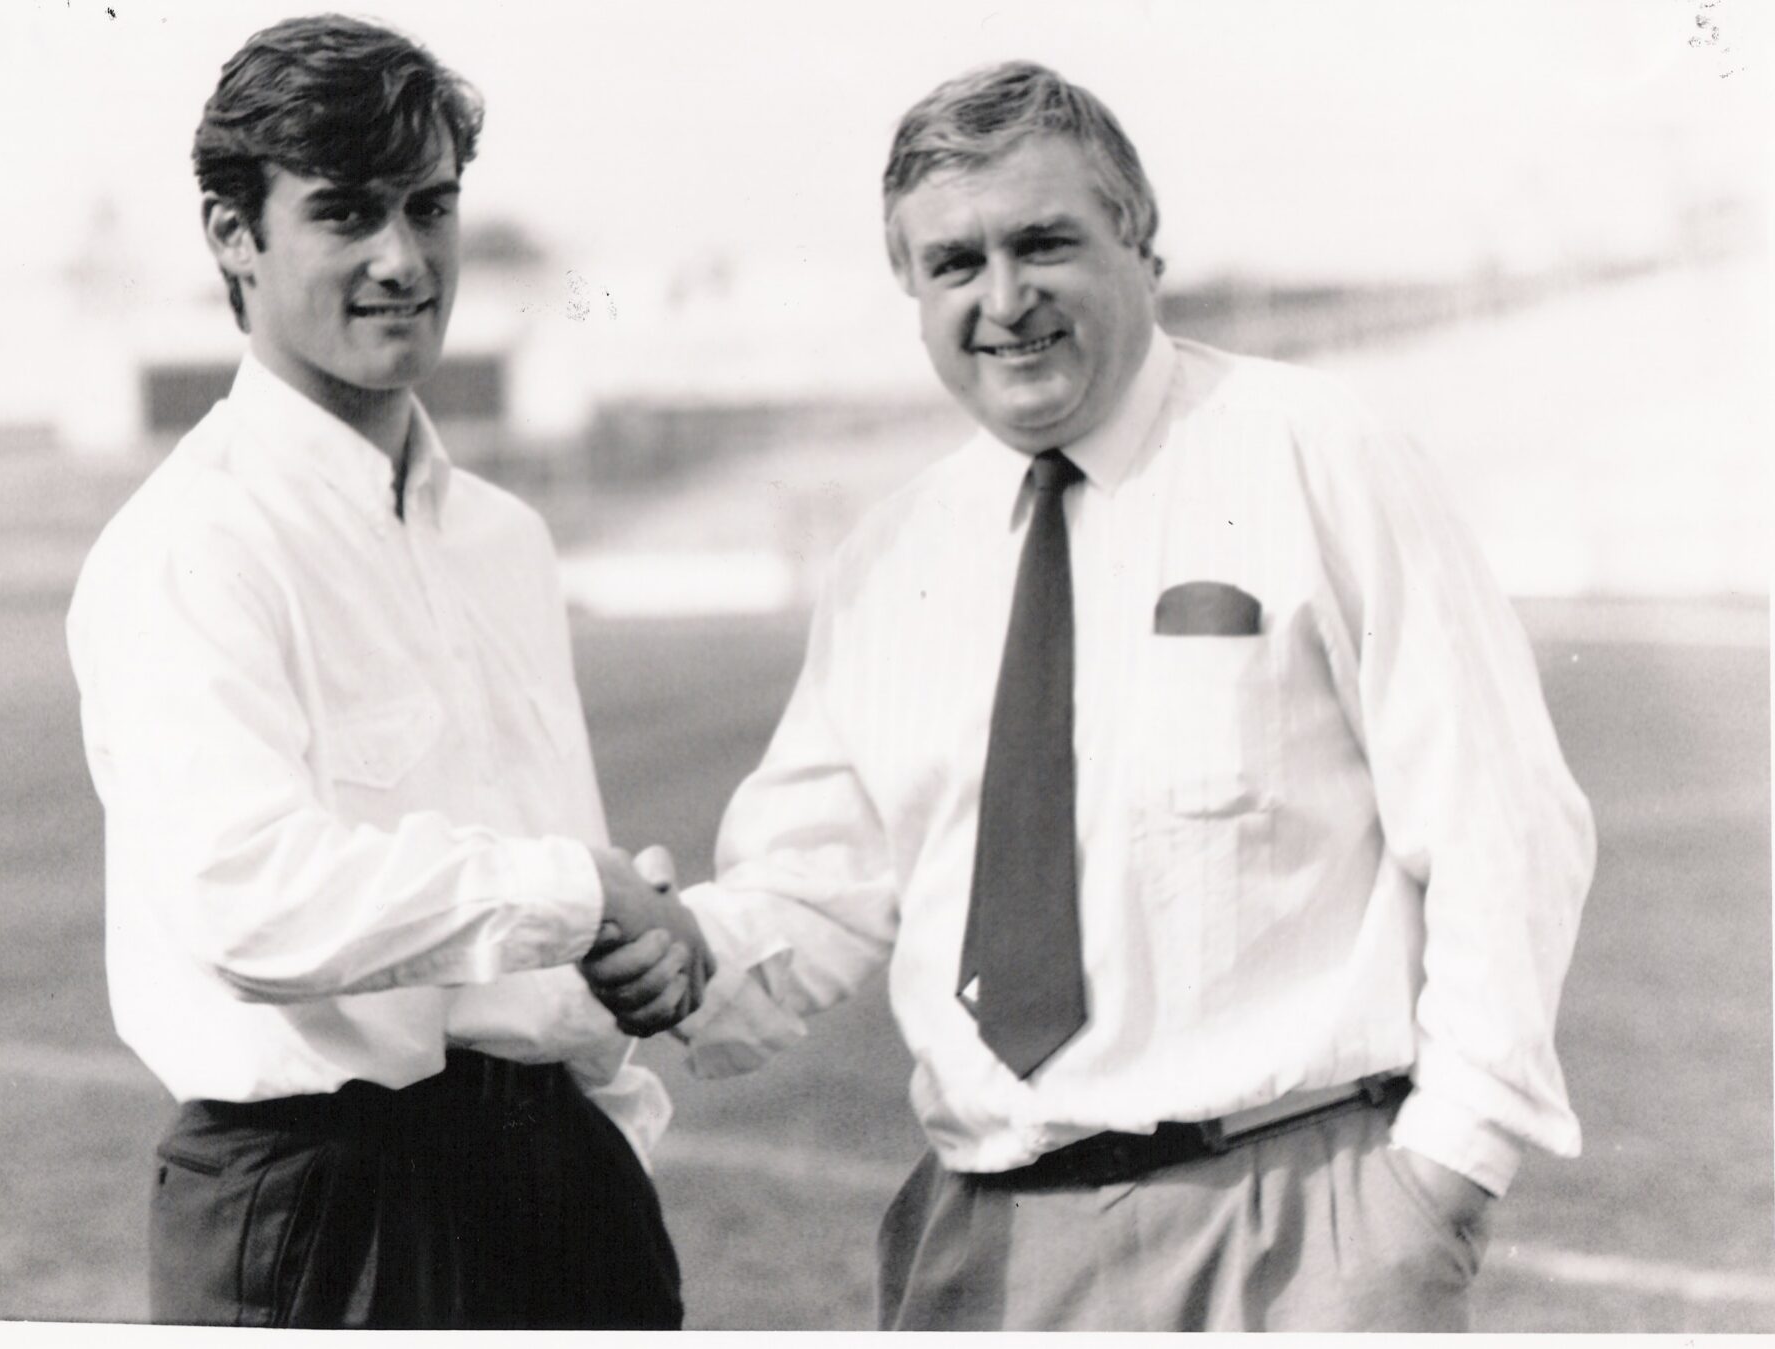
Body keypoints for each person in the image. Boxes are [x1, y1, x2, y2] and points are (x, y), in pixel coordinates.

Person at [588, 59, 1595, 1332]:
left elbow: (1501, 822)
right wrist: (684, 949)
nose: (1003, 299)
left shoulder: (1314, 454)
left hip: (1295, 1227)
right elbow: (815, 883)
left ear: (1139, 240)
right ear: (910, 288)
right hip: (988, 1243)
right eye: (954, 263)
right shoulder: (892, 555)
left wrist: (1439, 1175)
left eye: (1043, 243)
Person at [67, 14, 708, 1329]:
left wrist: (619, 963)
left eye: (429, 205)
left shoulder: (503, 538)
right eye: (345, 212)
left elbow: (538, 897)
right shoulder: (192, 542)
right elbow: (250, 900)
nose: (402, 258)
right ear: (233, 234)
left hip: (557, 1182)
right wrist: (576, 892)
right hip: (325, 1207)